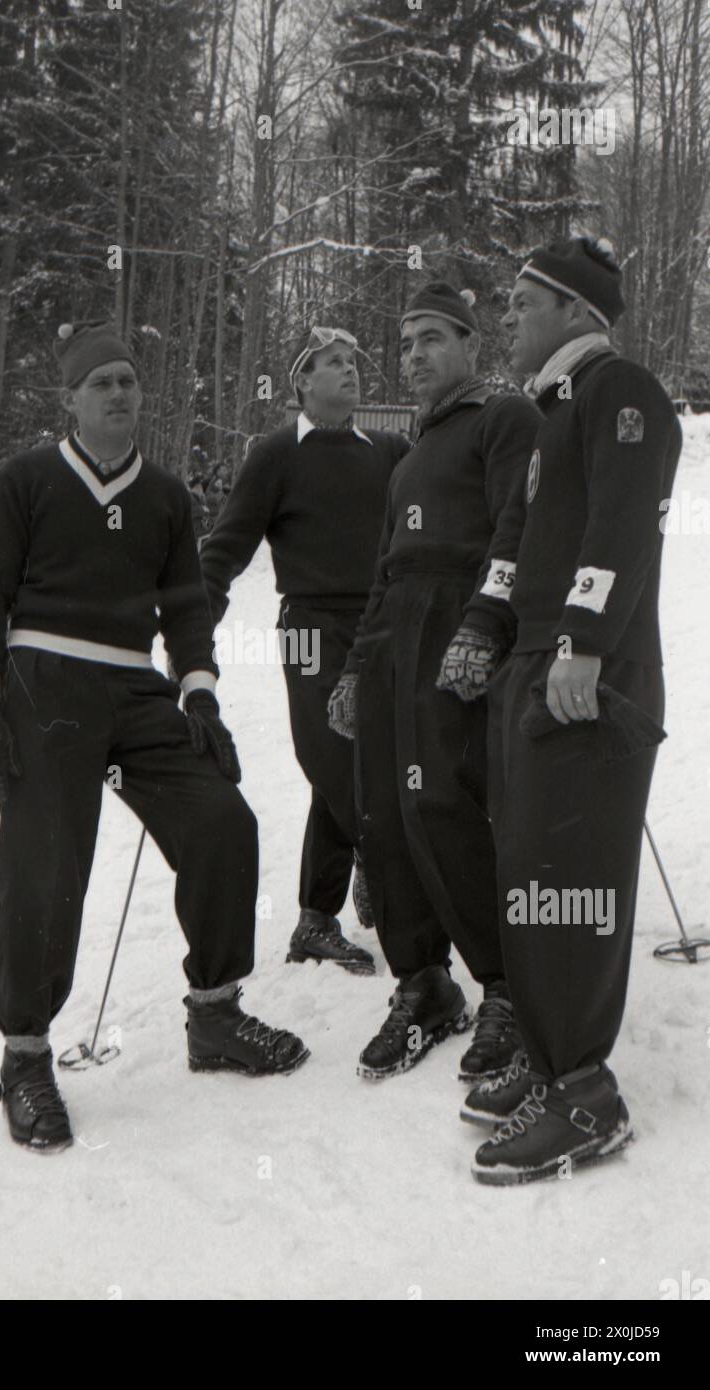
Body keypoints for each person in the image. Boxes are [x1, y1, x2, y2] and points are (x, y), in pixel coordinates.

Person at [0, 319, 308, 1154]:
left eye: (128, 381)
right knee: (47, 865)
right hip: (46, 682)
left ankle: (216, 1013)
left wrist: (201, 696)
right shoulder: (28, 480)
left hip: (135, 684)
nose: (119, 394)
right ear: (72, 400)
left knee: (225, 821)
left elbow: (186, 606)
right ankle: (28, 1054)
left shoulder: (167, 497)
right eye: (100, 383)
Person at [467, 236, 682, 1185]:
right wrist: (485, 625)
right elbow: (516, 539)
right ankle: (550, 1057)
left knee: (572, 874)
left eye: (523, 301)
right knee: (527, 863)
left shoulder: (619, 389)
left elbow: (624, 520)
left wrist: (586, 638)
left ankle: (586, 1092)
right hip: (533, 661)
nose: (506, 317)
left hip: (589, 668)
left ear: (577, 312)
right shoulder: (547, 412)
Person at [328, 284, 542, 1081]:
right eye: (406, 344)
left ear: (469, 343)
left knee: (443, 801)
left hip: (459, 622)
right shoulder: (409, 456)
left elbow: (520, 528)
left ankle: (508, 987)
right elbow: (384, 571)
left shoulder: (504, 418)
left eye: (431, 340)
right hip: (393, 637)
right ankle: (423, 984)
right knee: (382, 812)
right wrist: (354, 668)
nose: (414, 356)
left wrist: (487, 623)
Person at [199, 327, 411, 975]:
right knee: (332, 757)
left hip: (382, 625)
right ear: (300, 383)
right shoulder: (275, 456)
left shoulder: (391, 452)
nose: (349, 372)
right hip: (310, 628)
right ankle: (379, 862)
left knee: (359, 762)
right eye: (331, 364)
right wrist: (192, 627)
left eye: (352, 361)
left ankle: (316, 921)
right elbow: (227, 547)